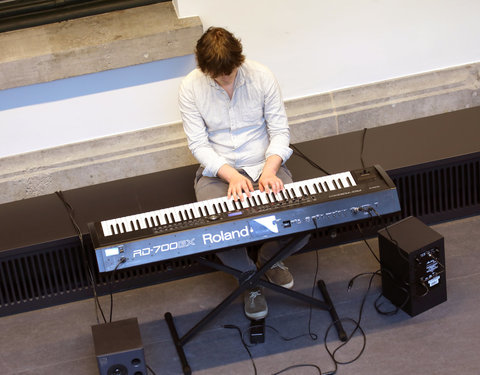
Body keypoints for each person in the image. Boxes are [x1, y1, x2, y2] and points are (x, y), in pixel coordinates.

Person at [178, 27, 309, 320]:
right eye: (217, 75)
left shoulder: (262, 76)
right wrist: (232, 177)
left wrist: (270, 169)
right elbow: (198, 144)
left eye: (231, 72)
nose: (225, 79)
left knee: (301, 222)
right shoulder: (190, 87)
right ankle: (249, 277)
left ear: (240, 59)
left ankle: (269, 260)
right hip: (218, 171)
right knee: (216, 229)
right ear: (204, 68)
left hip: (265, 163)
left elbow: (279, 131)